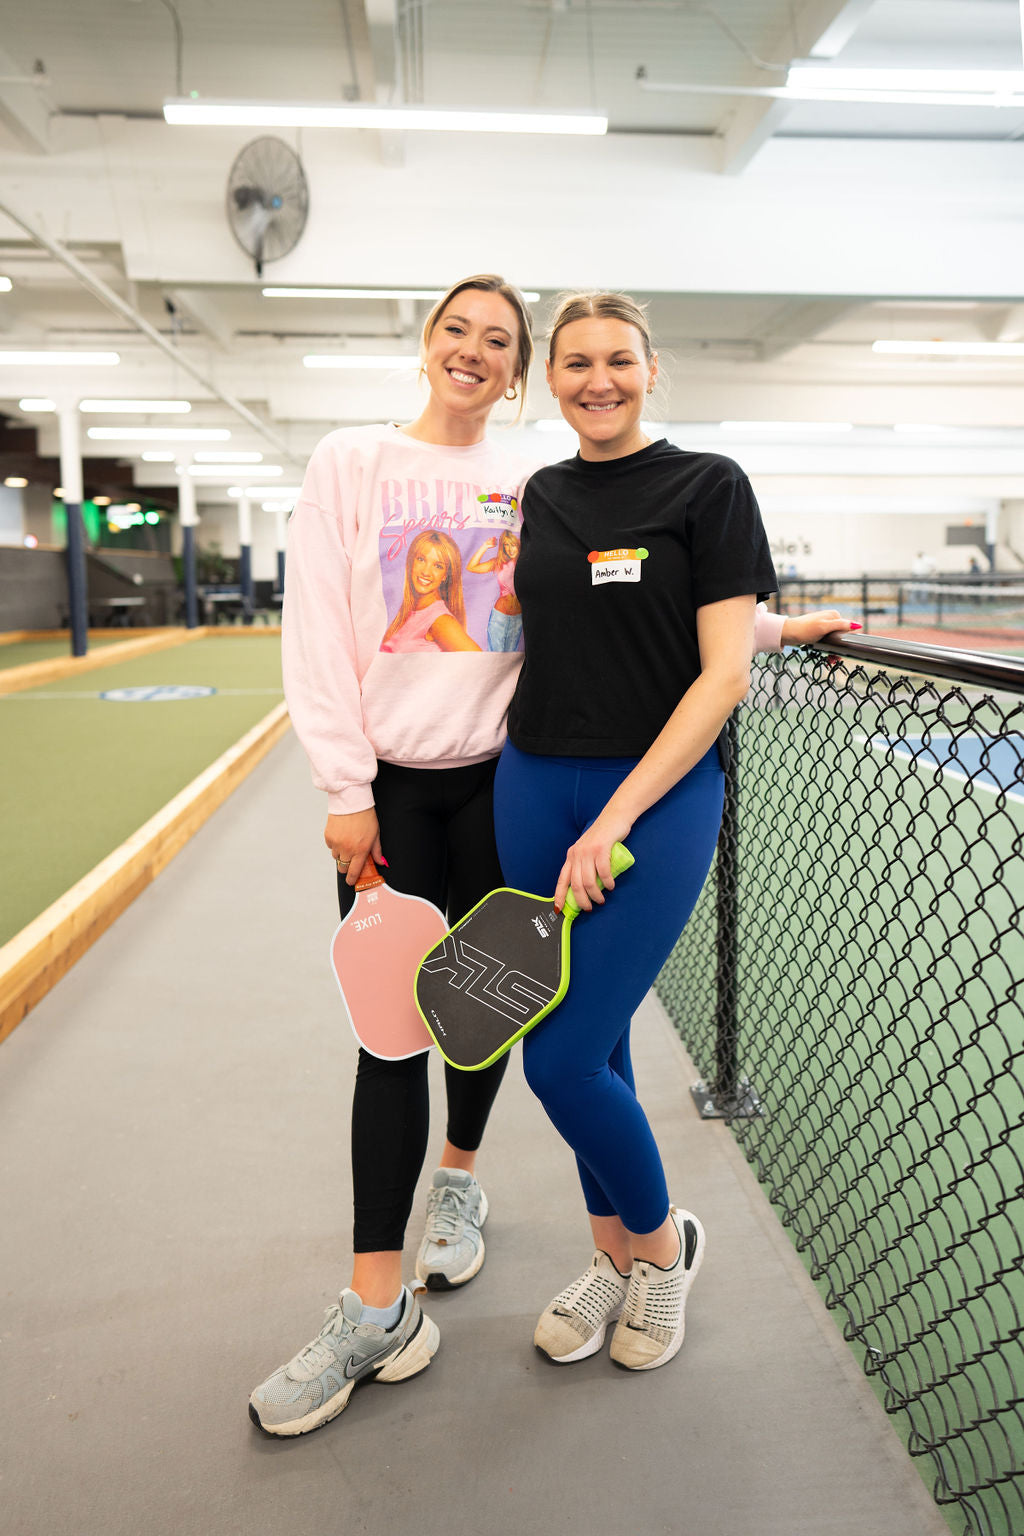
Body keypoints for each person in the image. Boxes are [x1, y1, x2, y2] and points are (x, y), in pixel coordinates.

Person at [249, 274, 855, 1437]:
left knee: (534, 1036)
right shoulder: (429, 472)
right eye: (458, 331)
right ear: (428, 344)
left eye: (503, 341)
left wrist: (770, 629)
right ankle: (438, 1295)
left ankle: (586, 1227)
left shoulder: (598, 482)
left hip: (551, 788)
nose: (477, 353)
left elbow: (661, 619)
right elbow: (338, 626)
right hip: (452, 791)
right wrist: (343, 788)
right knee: (435, 1031)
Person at [492, 290, 777, 1373]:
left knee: (559, 1061)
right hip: (532, 784)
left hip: (652, 799)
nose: (597, 380)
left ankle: (662, 1253)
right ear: (551, 379)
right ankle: (609, 1258)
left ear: (652, 369)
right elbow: (576, 626)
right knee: (595, 1039)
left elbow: (721, 672)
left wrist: (614, 818)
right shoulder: (542, 493)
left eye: (618, 359)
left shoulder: (710, 485)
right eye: (575, 363)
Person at [467, 529, 523, 651]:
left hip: (518, 618)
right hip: (500, 616)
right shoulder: (498, 563)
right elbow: (471, 567)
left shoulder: (524, 563)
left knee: (511, 656)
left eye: (513, 544)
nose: (509, 549)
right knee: (495, 653)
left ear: (518, 544)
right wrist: (485, 546)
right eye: (506, 545)